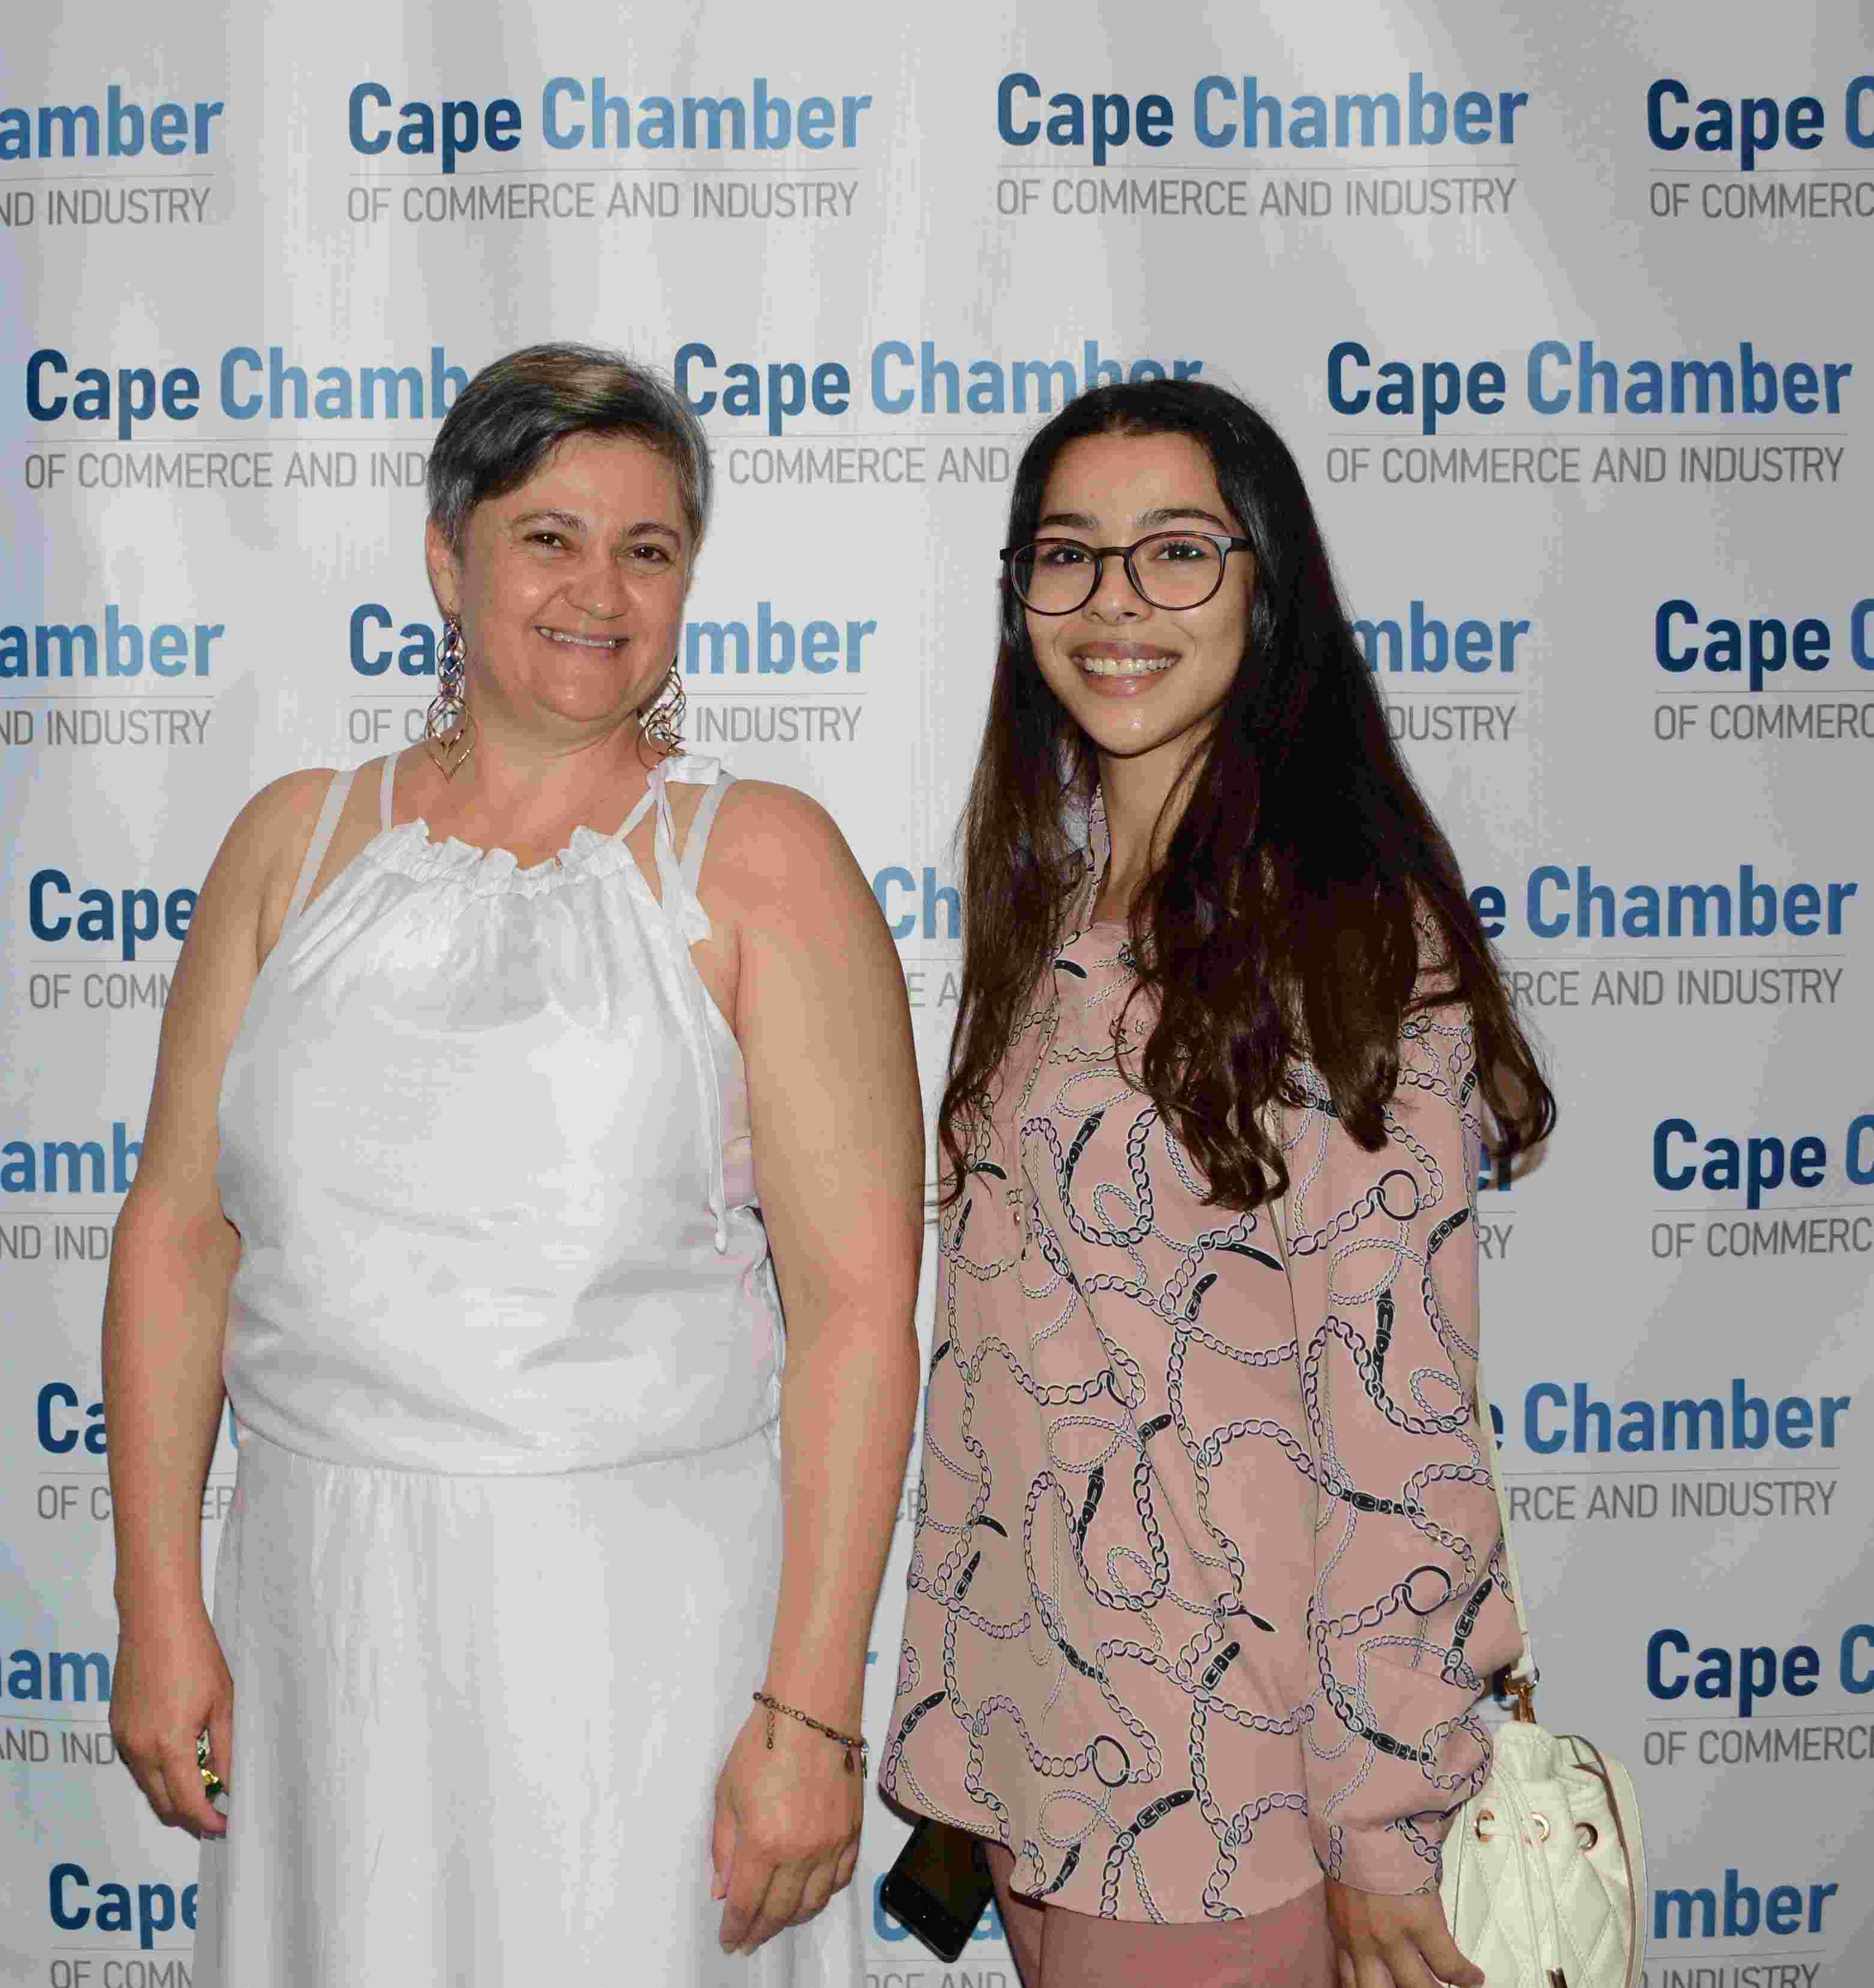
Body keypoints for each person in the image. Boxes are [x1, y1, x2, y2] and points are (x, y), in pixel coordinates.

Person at [101, 342, 923, 1983]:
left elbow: (855, 1314)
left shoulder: (766, 863)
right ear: (445, 559)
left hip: (638, 1644)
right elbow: (179, 1237)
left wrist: (814, 1709)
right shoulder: (287, 848)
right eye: (549, 537)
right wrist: (159, 1605)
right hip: (320, 1617)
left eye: (647, 548)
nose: (598, 591)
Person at [881, 378, 1553, 1988]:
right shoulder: (1055, 919)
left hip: (1228, 1800)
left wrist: (1384, 1820)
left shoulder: (1342, 941)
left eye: (1176, 550)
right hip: (1044, 1769)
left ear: (1267, 588)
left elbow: (1399, 1417)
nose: (1115, 601)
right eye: (1068, 554)